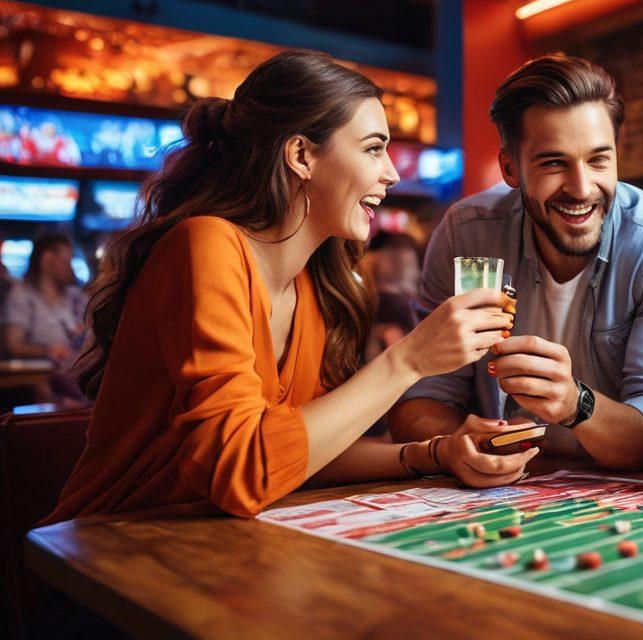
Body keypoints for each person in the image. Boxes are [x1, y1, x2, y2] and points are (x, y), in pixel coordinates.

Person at [48, 51, 528, 523]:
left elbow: (298, 451)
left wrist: (436, 453)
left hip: (220, 550)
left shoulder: (314, 286)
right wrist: (408, 361)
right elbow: (240, 472)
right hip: (108, 555)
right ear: (301, 155)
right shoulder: (205, 244)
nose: (393, 173)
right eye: (373, 148)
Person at [389, 55, 643, 475]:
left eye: (598, 160)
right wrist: (458, 449)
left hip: (629, 494)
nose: (581, 188)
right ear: (511, 168)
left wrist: (575, 403)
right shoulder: (466, 233)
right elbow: (423, 396)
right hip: (501, 496)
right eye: (554, 163)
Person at [2, 232, 86, 366]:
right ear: (47, 259)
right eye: (66, 261)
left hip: (75, 369)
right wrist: (49, 350)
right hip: (41, 375)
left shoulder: (75, 296)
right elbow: (13, 345)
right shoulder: (22, 295)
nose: (70, 268)